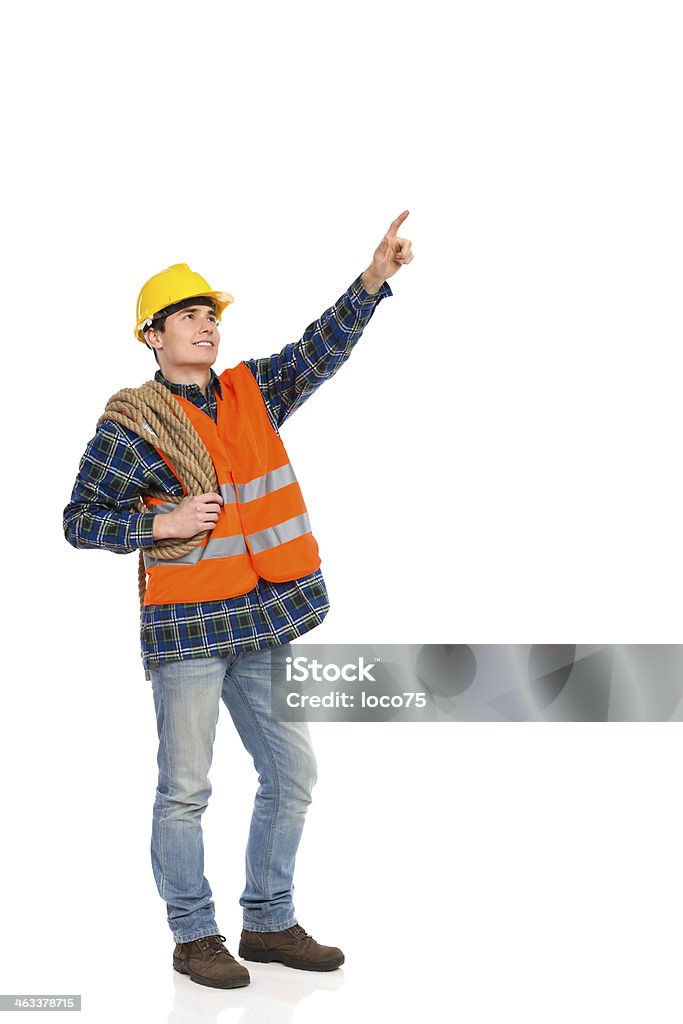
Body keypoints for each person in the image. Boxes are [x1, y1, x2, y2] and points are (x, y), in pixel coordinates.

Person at [63, 212, 414, 989]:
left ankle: (268, 920)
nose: (205, 325)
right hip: (187, 628)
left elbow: (320, 350)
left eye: (210, 315)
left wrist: (370, 282)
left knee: (292, 776)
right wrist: (160, 520)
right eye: (187, 315)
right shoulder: (131, 423)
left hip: (262, 617)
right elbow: (79, 520)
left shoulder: (255, 389)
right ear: (152, 337)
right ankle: (194, 937)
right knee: (184, 791)